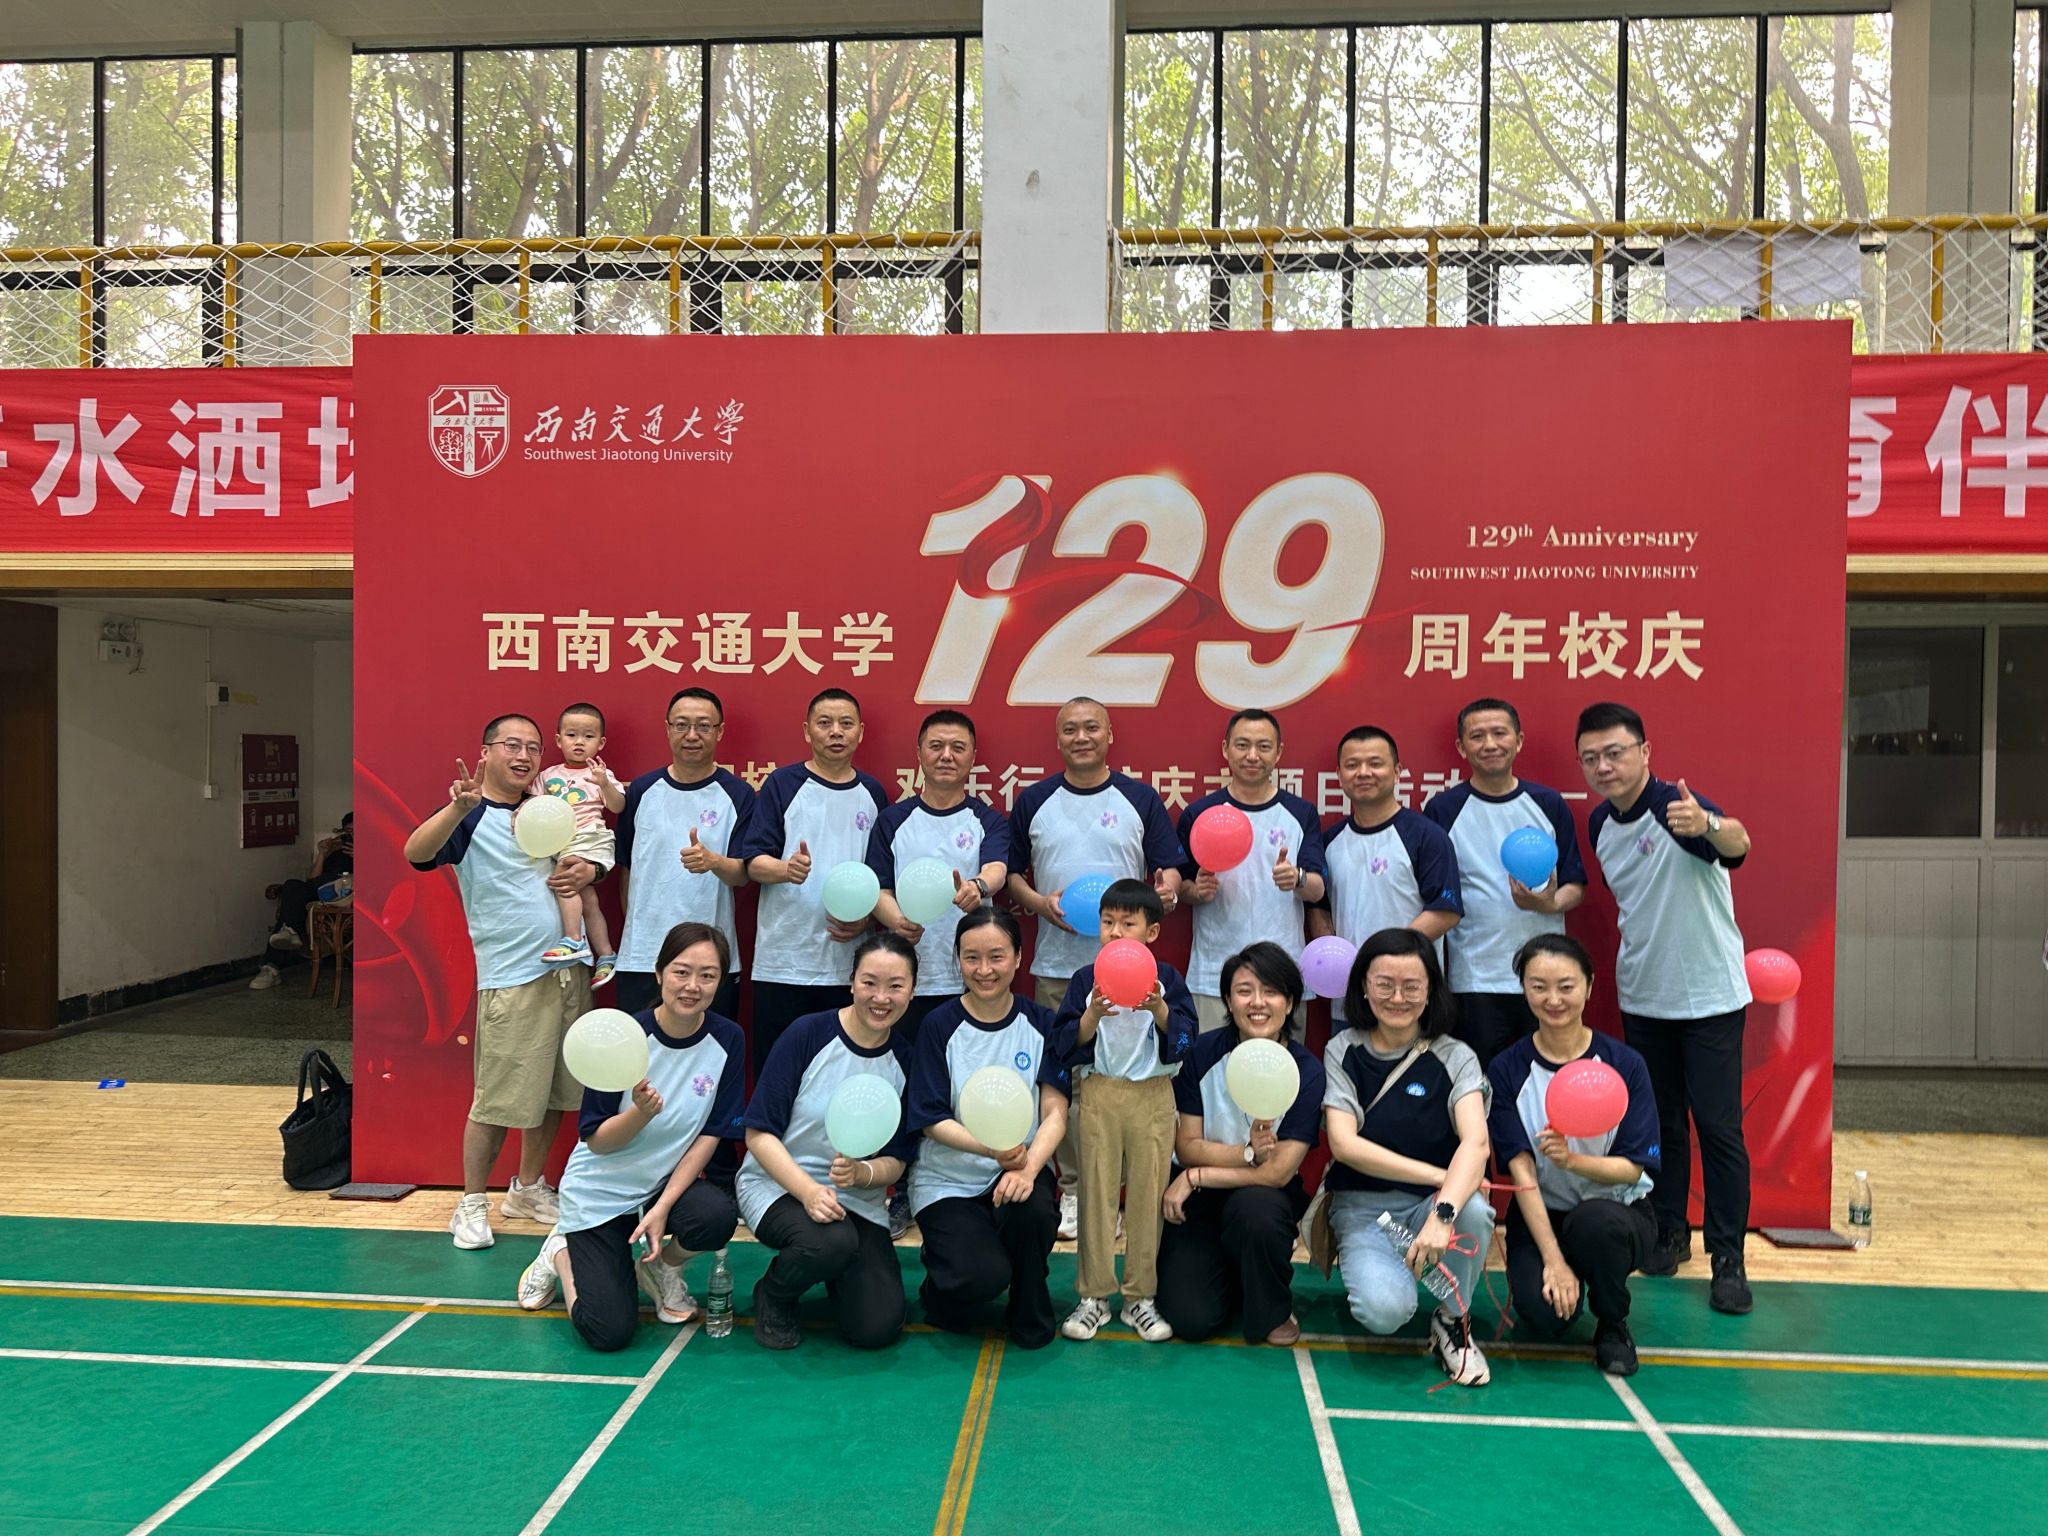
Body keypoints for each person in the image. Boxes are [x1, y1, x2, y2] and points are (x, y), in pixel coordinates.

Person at [1577, 701, 1755, 1315]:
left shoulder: (1679, 808)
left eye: (1615, 753)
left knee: (1719, 1129)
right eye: (1591, 758)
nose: (1604, 766)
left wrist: (1708, 823)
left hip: (1709, 997)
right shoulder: (1599, 823)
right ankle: (1670, 1232)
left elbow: (1738, 843)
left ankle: (1728, 1258)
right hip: (1645, 997)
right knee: (1664, 1128)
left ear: (1645, 752)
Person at [403, 715, 604, 1249]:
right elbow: (415, 854)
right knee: (497, 1099)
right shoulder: (469, 815)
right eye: (512, 745)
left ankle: (528, 1188)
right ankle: (471, 1202)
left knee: (556, 1092)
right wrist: (456, 808)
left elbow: (587, 859)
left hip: (568, 969)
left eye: (533, 748)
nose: (524, 756)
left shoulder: (548, 808)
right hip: (513, 977)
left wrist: (589, 871)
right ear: (486, 751)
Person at [515, 923, 746, 1351]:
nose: (692, 986)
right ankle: (560, 1251)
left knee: (716, 1215)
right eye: (681, 972)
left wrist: (663, 1207)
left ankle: (659, 1268)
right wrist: (640, 1114)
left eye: (707, 975)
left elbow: (711, 1134)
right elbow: (597, 1141)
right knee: (609, 1332)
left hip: (658, 1187)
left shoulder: (728, 1040)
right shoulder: (624, 1039)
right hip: (600, 1193)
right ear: (659, 973)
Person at [1007, 697, 1184, 1237]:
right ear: (1057, 739)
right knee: (1070, 1084)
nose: (1080, 737)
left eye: (1091, 728)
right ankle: (1076, 1192)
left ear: (1110, 735)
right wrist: (1039, 905)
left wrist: (1169, 892)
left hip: (1133, 976)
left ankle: (1125, 1197)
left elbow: (1170, 869)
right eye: (1070, 729)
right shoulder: (1034, 800)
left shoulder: (1140, 798)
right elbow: (1012, 875)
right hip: (1060, 969)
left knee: (1128, 1084)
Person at [1322, 928, 1493, 1387]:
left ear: (1431, 990)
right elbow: (1345, 1145)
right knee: (1386, 1312)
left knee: (1474, 1210)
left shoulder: (1457, 1056)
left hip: (1428, 1205)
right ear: (1363, 986)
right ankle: (1400, 1272)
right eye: (1384, 984)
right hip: (1366, 1212)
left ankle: (1452, 1319)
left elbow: (1475, 1143)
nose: (1397, 998)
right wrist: (1440, 1175)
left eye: (1411, 986)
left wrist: (1442, 1212)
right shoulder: (1342, 1050)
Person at [1487, 933, 1660, 1377]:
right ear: (1524, 989)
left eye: (1566, 986)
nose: (1553, 999)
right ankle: (1566, 1276)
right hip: (1543, 1213)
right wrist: (1553, 1261)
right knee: (1545, 1318)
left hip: (1616, 1213)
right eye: (1538, 986)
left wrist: (1571, 1162)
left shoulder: (1625, 1065)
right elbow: (1522, 1172)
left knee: (1595, 1224)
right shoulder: (1506, 1069)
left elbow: (1632, 1169)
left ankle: (1612, 1321)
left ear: (1589, 986)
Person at [868, 707, 1012, 1236]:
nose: (946, 756)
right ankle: (902, 1190)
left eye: (957, 747)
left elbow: (998, 868)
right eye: (936, 746)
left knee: (962, 1087)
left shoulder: (988, 820)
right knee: (904, 1087)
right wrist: (895, 919)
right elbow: (878, 887)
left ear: (973, 757)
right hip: (905, 986)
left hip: (969, 983)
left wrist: (978, 886)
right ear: (919, 754)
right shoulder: (894, 819)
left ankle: (973, 1186)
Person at [737, 931, 918, 1350]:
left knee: (877, 1327)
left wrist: (862, 1173)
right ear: (851, 982)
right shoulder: (808, 1034)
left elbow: (897, 1161)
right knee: (830, 1242)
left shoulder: (906, 1061)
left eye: (895, 986)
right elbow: (759, 1134)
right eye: (869, 982)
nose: (881, 997)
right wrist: (808, 1191)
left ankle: (837, 1271)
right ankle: (775, 1293)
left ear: (912, 991)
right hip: (778, 1186)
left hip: (856, 1201)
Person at [906, 908, 1070, 1350]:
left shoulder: (1042, 1023)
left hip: (1018, 1168)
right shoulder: (939, 1025)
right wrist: (992, 1150)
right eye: (971, 957)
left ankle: (1029, 1307)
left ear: (1018, 957)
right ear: (957, 959)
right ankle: (942, 1283)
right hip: (948, 1181)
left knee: (1034, 1211)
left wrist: (1027, 1169)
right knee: (978, 1281)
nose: (984, 970)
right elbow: (930, 1119)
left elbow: (1055, 1113)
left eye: (996, 956)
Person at [1156, 942, 1325, 1346]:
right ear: (1229, 1001)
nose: (1258, 1003)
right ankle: (1229, 1275)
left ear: (1290, 1002)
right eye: (1245, 991)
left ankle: (1269, 1305)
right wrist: (1245, 1153)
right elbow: (1189, 1145)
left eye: (1271, 991)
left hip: (1260, 1196)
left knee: (1258, 1213)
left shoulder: (1307, 1072)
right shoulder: (1201, 1053)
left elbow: (1277, 1172)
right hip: (1201, 1202)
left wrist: (1195, 1177)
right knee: (1191, 1319)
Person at [1052, 878, 1197, 1343]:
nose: (1115, 932)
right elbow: (1064, 1043)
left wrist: (1159, 1009)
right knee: (1095, 1194)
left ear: (1151, 932)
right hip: (1100, 1093)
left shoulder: (1167, 979)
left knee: (1148, 1197)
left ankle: (1140, 1298)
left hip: (1153, 1096)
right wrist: (1091, 1015)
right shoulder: (1086, 980)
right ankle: (1093, 1295)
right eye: (1107, 922)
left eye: (1127, 923)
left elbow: (1185, 1041)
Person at [1422, 699, 1586, 1067]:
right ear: (1462, 747)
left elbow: (1575, 885)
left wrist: (1549, 904)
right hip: (1475, 978)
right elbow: (1435, 893)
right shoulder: (1443, 809)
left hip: (1545, 977)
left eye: (1500, 733)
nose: (1490, 744)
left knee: (1546, 1078)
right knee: (1479, 1082)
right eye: (1477, 736)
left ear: (1519, 740)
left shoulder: (1548, 803)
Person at [740, 688, 890, 1069]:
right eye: (825, 723)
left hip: (851, 969)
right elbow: (753, 861)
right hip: (784, 964)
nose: (835, 732)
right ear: (807, 731)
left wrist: (866, 920)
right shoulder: (782, 784)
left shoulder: (873, 793)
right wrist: (785, 869)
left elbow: (881, 878)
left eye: (846, 723)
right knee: (778, 1074)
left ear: (860, 732)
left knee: (840, 1074)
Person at [1178, 709, 1326, 1037]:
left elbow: (1317, 889)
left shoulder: (1300, 813)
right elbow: (1180, 887)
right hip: (1214, 974)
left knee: (1280, 1067)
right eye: (1243, 745)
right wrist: (1196, 891)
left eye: (1263, 746)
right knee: (1212, 1065)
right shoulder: (1201, 813)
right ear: (1226, 749)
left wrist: (1297, 879)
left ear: (1279, 752)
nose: (1252, 756)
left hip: (1282, 975)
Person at [612, 688, 755, 1020]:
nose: (692, 735)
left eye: (703, 726)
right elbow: (627, 867)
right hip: (643, 956)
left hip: (710, 961)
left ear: (719, 731)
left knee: (709, 1049)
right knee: (639, 1050)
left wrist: (713, 862)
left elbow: (743, 874)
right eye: (681, 725)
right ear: (667, 729)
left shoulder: (739, 794)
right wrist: (638, 930)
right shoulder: (641, 790)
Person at [1309, 725, 1462, 1027]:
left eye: (1375, 763)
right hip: (1350, 999)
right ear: (1339, 775)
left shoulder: (1426, 836)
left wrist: (1382, 959)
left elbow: (1445, 911)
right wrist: (1334, 959)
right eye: (1352, 765)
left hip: (1411, 999)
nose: (1363, 773)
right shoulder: (1329, 841)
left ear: (1397, 771)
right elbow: (1319, 907)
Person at [531, 703, 626, 988]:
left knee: (565, 875)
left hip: (590, 836)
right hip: (561, 840)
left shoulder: (601, 773)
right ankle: (606, 955)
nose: (579, 742)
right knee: (588, 900)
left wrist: (604, 784)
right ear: (559, 740)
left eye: (588, 736)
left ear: (600, 743)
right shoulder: (547, 775)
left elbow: (618, 806)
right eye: (572, 735)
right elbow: (533, 807)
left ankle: (573, 939)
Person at [267, 813, 353, 952]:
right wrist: (322, 854)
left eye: (357, 831)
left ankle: (274, 960)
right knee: (292, 885)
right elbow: (312, 880)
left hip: (343, 894)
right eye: (349, 831)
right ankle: (289, 931)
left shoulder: (373, 852)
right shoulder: (337, 854)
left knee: (293, 909)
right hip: (321, 889)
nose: (353, 835)